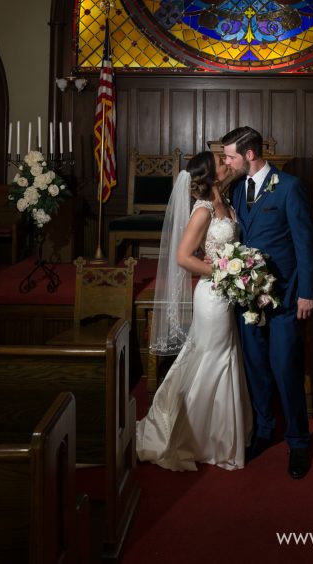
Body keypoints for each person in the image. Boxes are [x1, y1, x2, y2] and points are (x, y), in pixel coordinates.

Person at [136, 150, 252, 471]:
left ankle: (218, 434)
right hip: (211, 295)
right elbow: (183, 256)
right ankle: (199, 438)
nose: (226, 163)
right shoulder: (202, 210)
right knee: (212, 359)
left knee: (221, 357)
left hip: (227, 293)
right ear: (210, 175)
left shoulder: (225, 203)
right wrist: (220, 271)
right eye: (221, 161)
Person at [221, 126, 313, 479]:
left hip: (285, 297)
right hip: (247, 299)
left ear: (249, 155)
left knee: (285, 368)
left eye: (230, 155)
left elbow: (305, 242)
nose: (226, 162)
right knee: (256, 368)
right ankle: (263, 430)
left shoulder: (289, 187)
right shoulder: (235, 187)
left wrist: (308, 291)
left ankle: (298, 441)